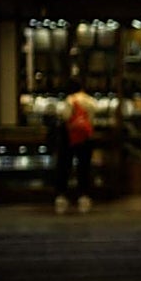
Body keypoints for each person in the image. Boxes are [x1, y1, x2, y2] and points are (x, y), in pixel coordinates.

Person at [54, 78, 96, 214]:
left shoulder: (70, 100)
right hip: (86, 138)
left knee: (65, 166)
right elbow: (93, 116)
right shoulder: (90, 100)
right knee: (84, 167)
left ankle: (62, 196)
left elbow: (65, 116)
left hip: (70, 138)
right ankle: (84, 196)